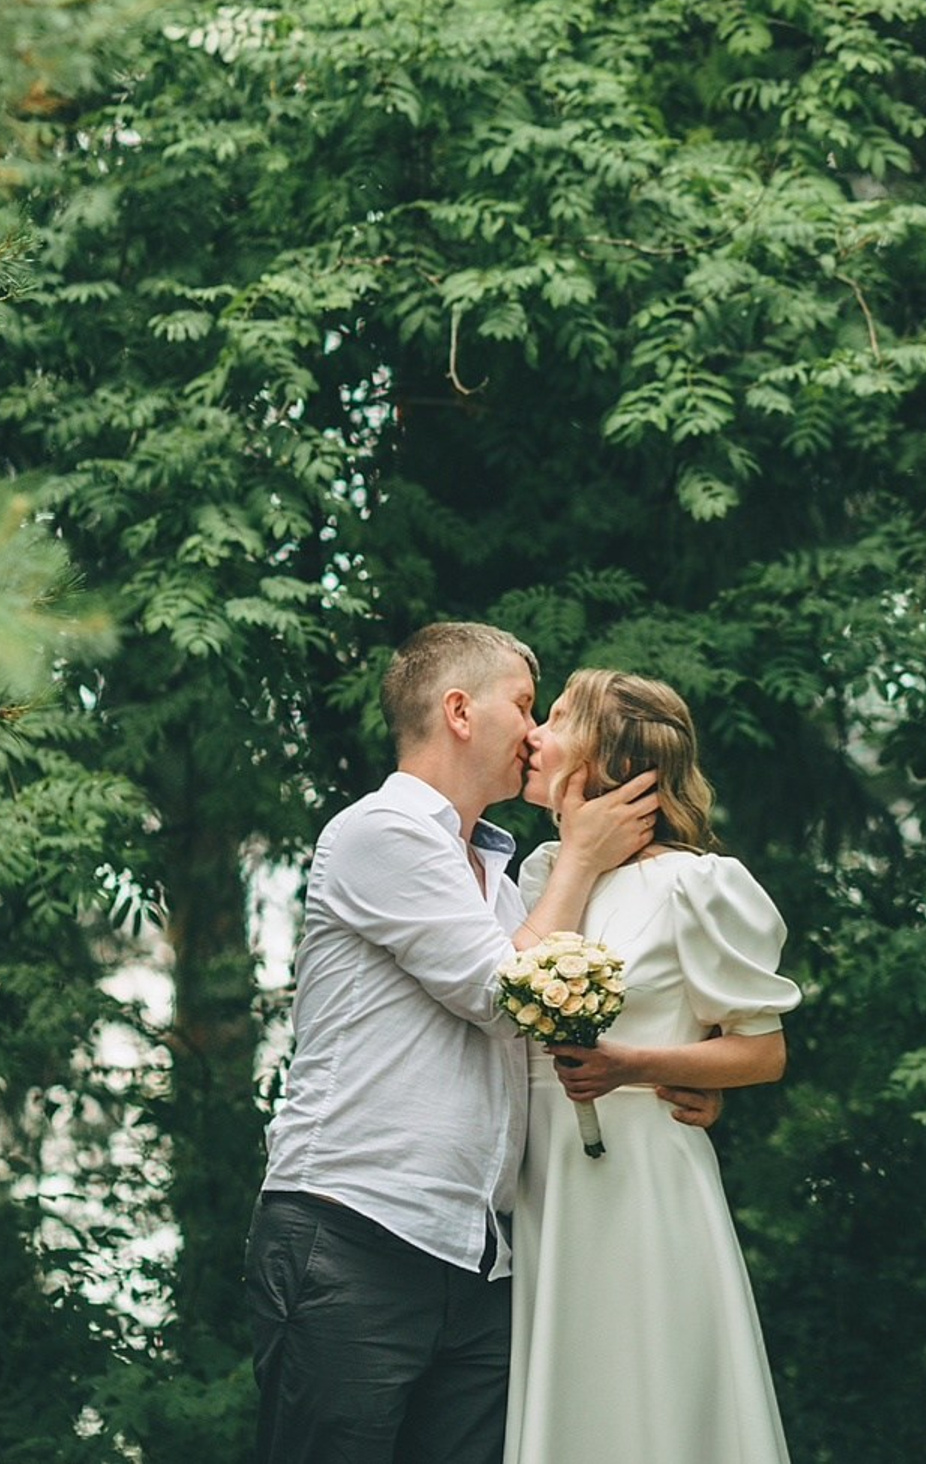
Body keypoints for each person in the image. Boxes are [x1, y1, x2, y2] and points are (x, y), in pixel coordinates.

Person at [245, 619, 702, 1464]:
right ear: (459, 711)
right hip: (355, 1234)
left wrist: (668, 1074)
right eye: (524, 705)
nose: (535, 732)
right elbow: (504, 995)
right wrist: (580, 860)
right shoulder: (381, 831)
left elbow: (545, 1038)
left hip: (482, 1258)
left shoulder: (502, 875)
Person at [506, 667, 801, 1464]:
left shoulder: (692, 886)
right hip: (543, 1180)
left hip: (641, 1173)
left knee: (649, 1387)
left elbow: (763, 1050)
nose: (534, 735)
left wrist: (631, 1066)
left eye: (557, 718)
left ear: (610, 758)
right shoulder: (539, 879)